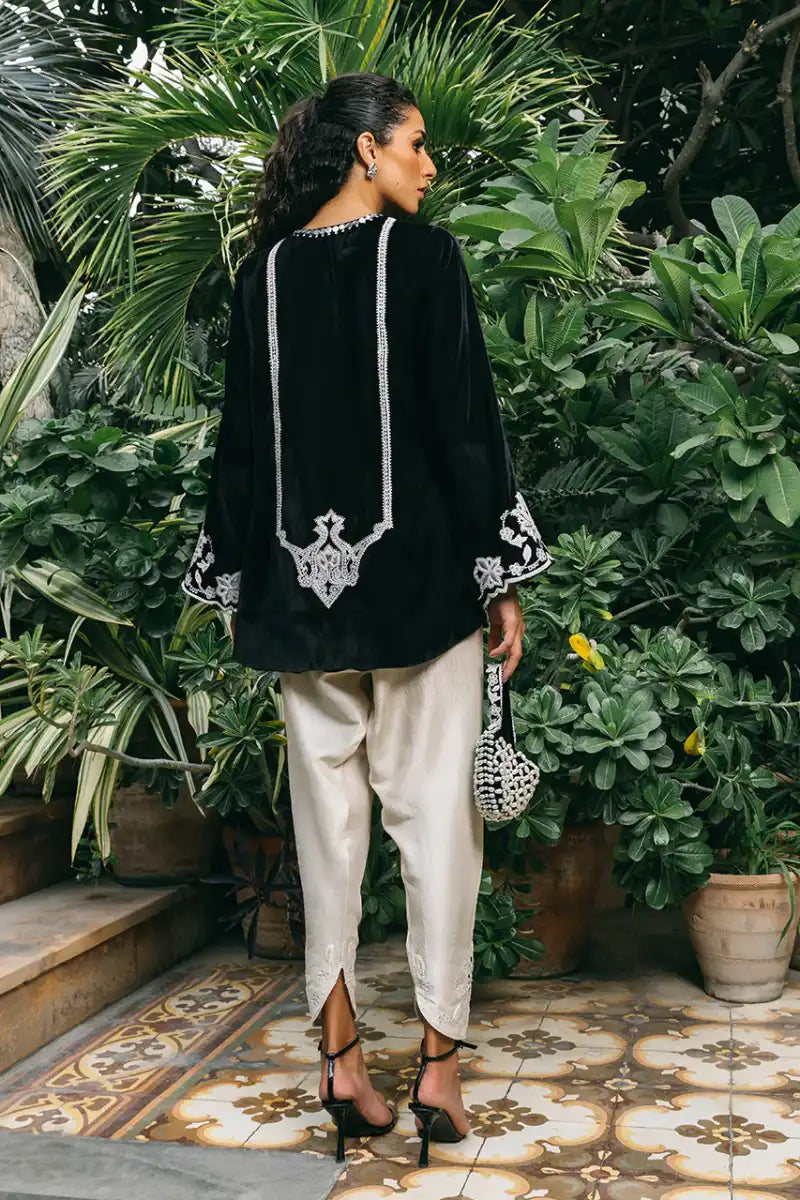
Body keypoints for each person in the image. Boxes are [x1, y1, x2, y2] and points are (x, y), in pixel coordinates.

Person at [181, 71, 553, 1166]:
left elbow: (240, 448)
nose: (428, 164)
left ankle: (341, 1063)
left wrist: (237, 582)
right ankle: (437, 1069)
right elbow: (465, 426)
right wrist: (499, 572)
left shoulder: (262, 277)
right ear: (365, 149)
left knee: (325, 829)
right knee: (435, 821)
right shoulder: (425, 260)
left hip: (301, 599)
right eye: (416, 143)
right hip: (422, 592)